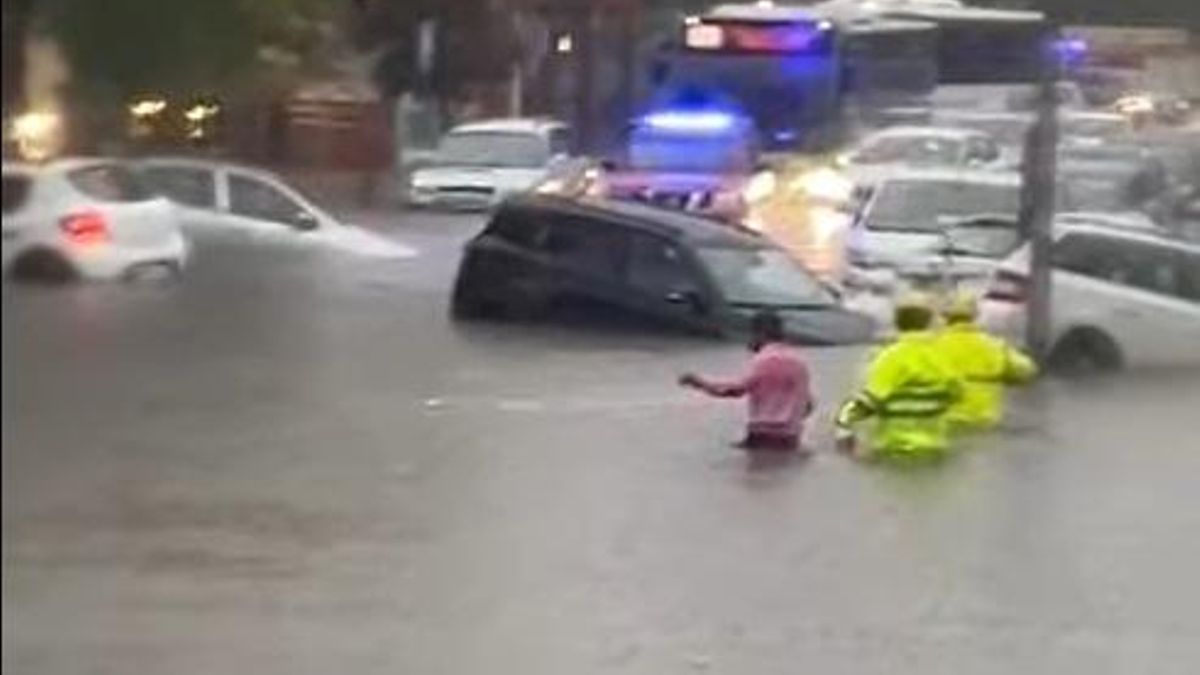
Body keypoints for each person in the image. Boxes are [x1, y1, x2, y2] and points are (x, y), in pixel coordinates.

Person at [835, 295, 962, 462]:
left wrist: (842, 424)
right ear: (928, 325)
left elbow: (868, 402)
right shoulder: (944, 356)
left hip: (894, 449)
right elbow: (957, 394)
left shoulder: (890, 358)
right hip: (935, 450)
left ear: (898, 325)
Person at [679, 311, 814, 451]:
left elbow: (734, 390)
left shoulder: (762, 360)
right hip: (790, 437)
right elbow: (808, 406)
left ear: (760, 334)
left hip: (761, 434)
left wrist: (699, 383)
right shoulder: (799, 363)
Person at [934, 292, 1038, 431]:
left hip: (946, 424)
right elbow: (1027, 370)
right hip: (985, 423)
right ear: (975, 315)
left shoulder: (931, 347)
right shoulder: (995, 346)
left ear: (944, 316)